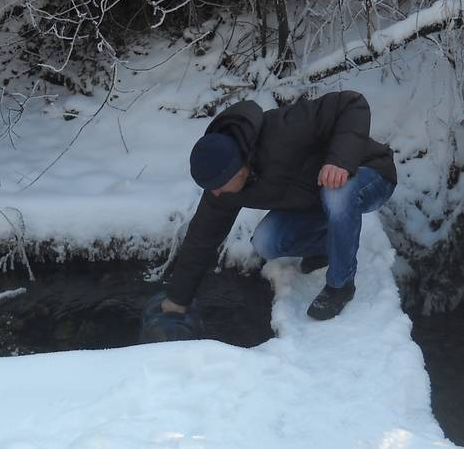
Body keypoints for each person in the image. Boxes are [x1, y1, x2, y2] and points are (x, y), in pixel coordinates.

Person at [142, 91, 397, 341]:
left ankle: (340, 286)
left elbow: (351, 103)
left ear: (238, 168)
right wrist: (178, 300)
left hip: (367, 174)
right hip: (315, 197)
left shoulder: (284, 130)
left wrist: (341, 160)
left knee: (336, 194)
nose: (216, 193)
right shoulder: (223, 187)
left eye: (219, 185)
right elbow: (202, 238)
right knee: (266, 241)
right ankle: (327, 248)